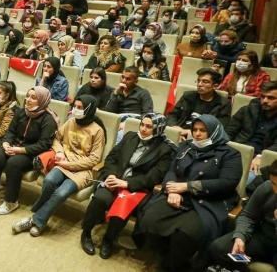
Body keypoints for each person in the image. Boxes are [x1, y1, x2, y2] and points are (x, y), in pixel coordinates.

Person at [134, 115, 242, 271]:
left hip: (208, 201)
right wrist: (171, 189)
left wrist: (187, 186)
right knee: (150, 218)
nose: (197, 134)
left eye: (203, 130)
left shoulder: (230, 154)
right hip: (179, 194)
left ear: (214, 131)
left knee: (185, 235)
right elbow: (172, 170)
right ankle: (162, 255)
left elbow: (227, 183)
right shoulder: (186, 146)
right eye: (195, 130)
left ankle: (174, 265)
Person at [81, 113, 175, 259]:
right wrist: (111, 175)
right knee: (100, 199)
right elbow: (112, 158)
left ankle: (108, 239)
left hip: (135, 187)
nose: (143, 129)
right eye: (142, 124)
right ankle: (86, 233)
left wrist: (127, 183)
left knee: (123, 207)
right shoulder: (130, 136)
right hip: (115, 179)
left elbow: (155, 176)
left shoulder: (165, 149)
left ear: (159, 129)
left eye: (149, 127)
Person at [12, 95, 105, 236]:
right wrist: (60, 152)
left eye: (80, 107)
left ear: (89, 109)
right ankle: (39, 220)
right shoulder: (71, 121)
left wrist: (70, 164)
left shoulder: (98, 131)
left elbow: (94, 159)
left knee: (61, 192)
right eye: (75, 106)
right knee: (48, 181)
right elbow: (56, 139)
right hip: (63, 162)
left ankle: (35, 220)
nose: (76, 110)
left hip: (83, 170)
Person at [0, 86, 58, 214]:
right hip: (14, 146)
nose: (28, 100)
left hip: (32, 153)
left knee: (13, 163)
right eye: (27, 96)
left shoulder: (48, 120)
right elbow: (11, 131)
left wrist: (19, 150)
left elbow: (43, 145)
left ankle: (11, 202)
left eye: (33, 98)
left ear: (42, 101)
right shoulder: (21, 112)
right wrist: (6, 143)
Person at [208, 159, 277, 272]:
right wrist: (240, 236)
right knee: (219, 248)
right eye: (274, 184)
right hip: (264, 237)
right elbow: (248, 215)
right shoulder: (267, 187)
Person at [227, 81, 277, 185]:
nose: (265, 101)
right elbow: (228, 132)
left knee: (245, 181)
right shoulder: (247, 110)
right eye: (262, 97)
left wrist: (261, 157)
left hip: (261, 159)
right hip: (236, 152)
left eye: (271, 98)